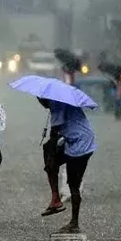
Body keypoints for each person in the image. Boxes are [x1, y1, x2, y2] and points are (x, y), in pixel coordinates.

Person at [39, 98, 97, 233]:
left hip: (81, 146)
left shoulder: (57, 105)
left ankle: (74, 222)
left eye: (41, 100)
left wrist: (50, 161)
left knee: (73, 184)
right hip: (76, 140)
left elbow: (54, 134)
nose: (41, 104)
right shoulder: (57, 104)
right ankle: (55, 199)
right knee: (48, 151)